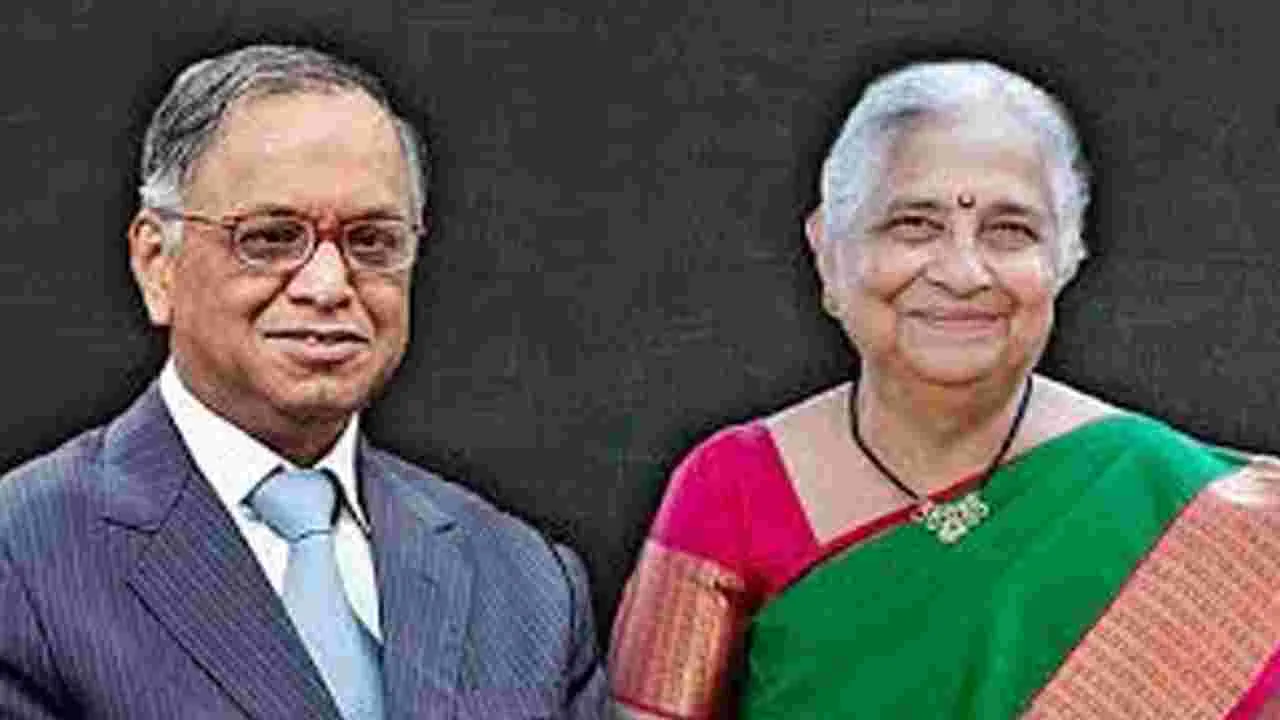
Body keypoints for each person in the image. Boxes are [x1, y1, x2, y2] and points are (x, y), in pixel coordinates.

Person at [608, 58, 1280, 719]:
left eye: (1010, 231)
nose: (962, 273)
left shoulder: (1195, 516)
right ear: (829, 250)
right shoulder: (732, 487)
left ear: (1065, 257)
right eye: (914, 225)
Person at [0, 44, 605, 719]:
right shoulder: (22, 559)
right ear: (156, 264)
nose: (327, 285)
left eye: (372, 240)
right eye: (270, 237)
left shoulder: (525, 585)